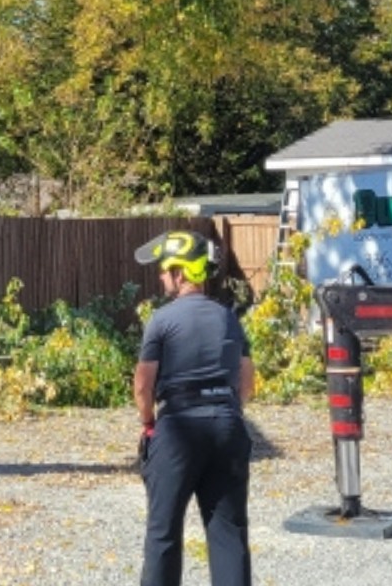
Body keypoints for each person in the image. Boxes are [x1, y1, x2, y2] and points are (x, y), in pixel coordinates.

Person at [132, 230, 254, 586]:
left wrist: (149, 423)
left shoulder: (162, 320)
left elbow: (143, 384)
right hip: (226, 423)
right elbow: (246, 381)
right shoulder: (229, 318)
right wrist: (229, 411)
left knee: (163, 532)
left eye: (164, 269)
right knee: (229, 534)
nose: (160, 275)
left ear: (181, 273)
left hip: (178, 429)